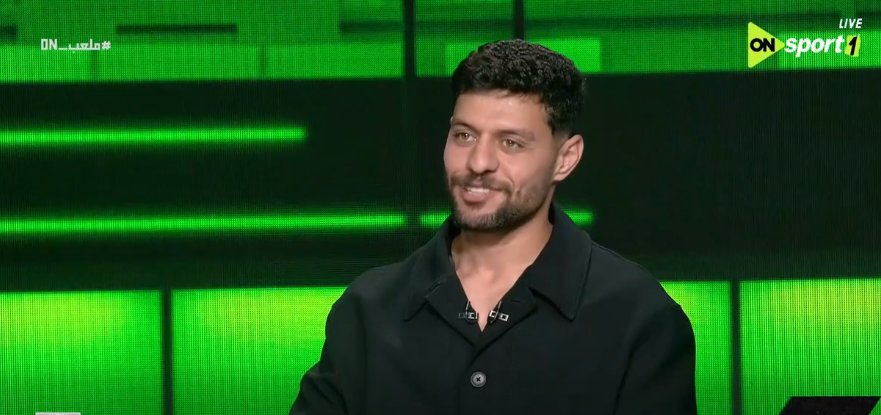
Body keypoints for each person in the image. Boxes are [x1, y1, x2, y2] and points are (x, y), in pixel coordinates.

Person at [289, 39, 697, 415]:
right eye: (464, 135)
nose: (478, 162)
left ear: (565, 159)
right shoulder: (368, 311)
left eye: (510, 143)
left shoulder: (639, 318)